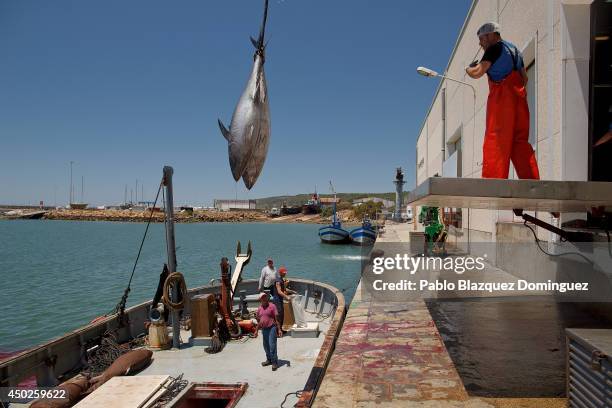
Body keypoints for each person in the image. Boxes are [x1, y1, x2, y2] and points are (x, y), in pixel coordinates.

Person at [466, 22, 540, 180]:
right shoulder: (515, 50)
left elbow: (478, 72)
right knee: (520, 143)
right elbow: (524, 78)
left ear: (490, 35)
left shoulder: (494, 48)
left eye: (481, 39)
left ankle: (493, 185)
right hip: (519, 100)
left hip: (502, 99)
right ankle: (531, 183)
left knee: (497, 140)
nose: (480, 44)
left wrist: (468, 69)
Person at [254, 292, 282, 371]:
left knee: (272, 346)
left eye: (265, 297)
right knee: (266, 346)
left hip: (272, 328)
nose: (264, 298)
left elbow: (277, 319)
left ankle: (274, 362)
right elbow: (259, 321)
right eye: (262, 297)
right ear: (260, 300)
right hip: (264, 329)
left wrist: (279, 329)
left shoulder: (272, 306)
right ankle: (269, 360)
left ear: (267, 298)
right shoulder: (259, 309)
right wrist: (256, 331)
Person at [272, 266, 296, 331]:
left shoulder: (282, 280)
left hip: (280, 300)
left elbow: (284, 289)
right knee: (279, 315)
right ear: (280, 273)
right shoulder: (278, 281)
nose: (285, 274)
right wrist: (287, 297)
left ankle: (280, 329)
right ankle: (277, 330)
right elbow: (279, 291)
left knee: (282, 314)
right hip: (277, 300)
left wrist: (292, 291)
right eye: (283, 273)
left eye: (285, 272)